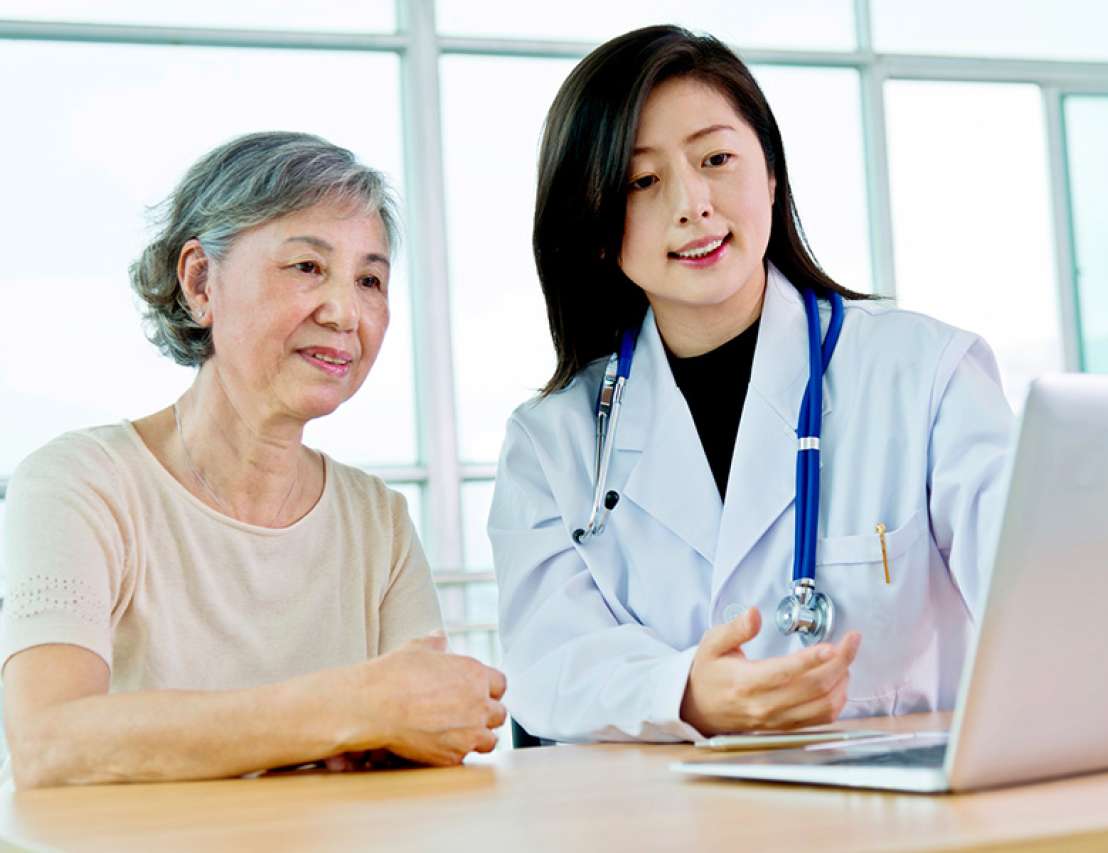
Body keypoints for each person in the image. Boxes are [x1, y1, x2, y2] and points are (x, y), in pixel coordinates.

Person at [488, 27, 1012, 743]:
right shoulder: (553, 440)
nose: (693, 203)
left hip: (899, 815)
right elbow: (549, 661)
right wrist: (686, 693)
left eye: (717, 158)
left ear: (770, 175)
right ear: (597, 228)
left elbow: (1037, 590)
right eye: (643, 180)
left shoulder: (923, 373)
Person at [1, 132, 506, 789]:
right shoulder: (79, 483)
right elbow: (49, 742)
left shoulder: (378, 521)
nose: (345, 311)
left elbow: (436, 721)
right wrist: (354, 709)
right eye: (307, 267)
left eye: (370, 279)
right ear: (200, 281)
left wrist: (382, 721)